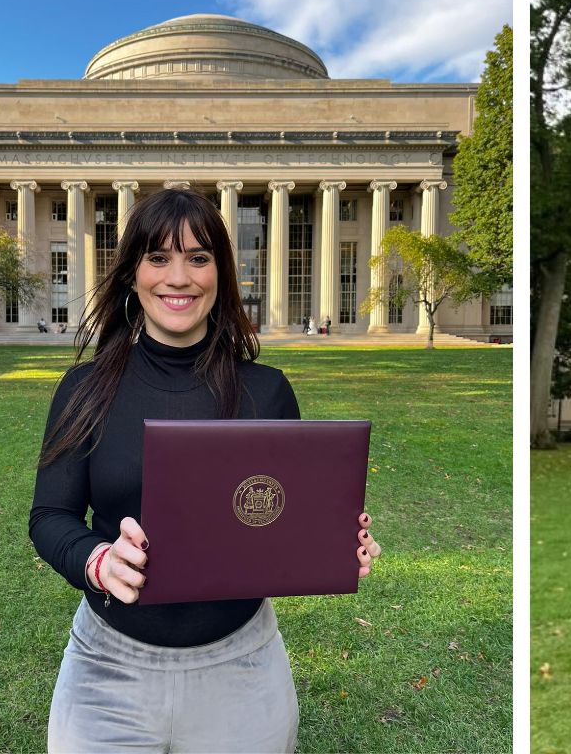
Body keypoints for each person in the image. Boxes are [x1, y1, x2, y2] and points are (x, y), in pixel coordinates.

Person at [30, 189, 381, 751]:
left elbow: (282, 518)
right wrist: (98, 561)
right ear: (132, 274)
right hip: (107, 665)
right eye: (158, 257)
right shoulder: (86, 389)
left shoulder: (266, 392)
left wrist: (338, 542)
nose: (179, 277)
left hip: (241, 663)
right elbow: (50, 516)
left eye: (198, 258)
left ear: (220, 273)